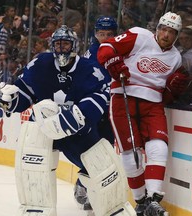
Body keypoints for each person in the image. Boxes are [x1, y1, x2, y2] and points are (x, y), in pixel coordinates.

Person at [0, 25, 134, 216]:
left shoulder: (90, 69)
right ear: (52, 46)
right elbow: (24, 93)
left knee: (103, 167)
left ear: (74, 46)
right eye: (58, 44)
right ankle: (37, 208)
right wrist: (9, 100)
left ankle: (112, 208)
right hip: (44, 128)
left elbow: (99, 100)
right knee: (33, 153)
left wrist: (75, 116)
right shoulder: (40, 64)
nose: (62, 48)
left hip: (78, 131)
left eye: (66, 44)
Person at [97, 11, 187, 216]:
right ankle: (140, 201)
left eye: (171, 32)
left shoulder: (176, 58)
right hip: (123, 97)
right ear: (157, 29)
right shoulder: (139, 36)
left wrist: (173, 91)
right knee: (131, 153)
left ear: (177, 36)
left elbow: (166, 95)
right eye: (163, 29)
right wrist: (113, 63)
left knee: (159, 147)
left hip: (153, 104)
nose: (165, 35)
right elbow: (106, 47)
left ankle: (154, 199)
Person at [73, 15, 118, 210]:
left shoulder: (121, 52)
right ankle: (85, 185)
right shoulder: (89, 56)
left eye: (109, 34)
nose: (105, 38)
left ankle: (92, 188)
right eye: (101, 34)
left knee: (106, 150)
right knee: (91, 151)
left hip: (111, 112)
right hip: (93, 111)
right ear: (95, 34)